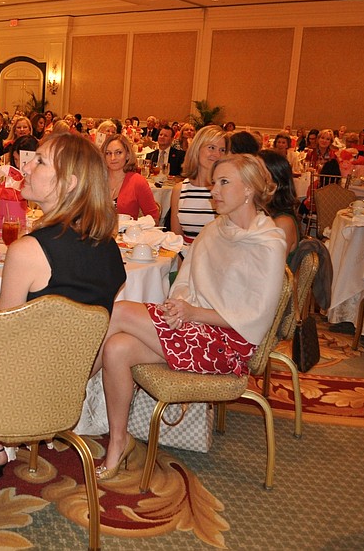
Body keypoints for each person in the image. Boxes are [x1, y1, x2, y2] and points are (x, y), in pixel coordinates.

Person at [0, 132, 126, 472]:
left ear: (69, 183)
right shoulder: (109, 250)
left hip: (13, 388)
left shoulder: (28, 251)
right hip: (62, 391)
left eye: (40, 161)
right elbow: (50, 314)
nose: (26, 167)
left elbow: (1, 346)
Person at [94, 153, 286, 479]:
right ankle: (118, 441)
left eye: (224, 182)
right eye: (215, 183)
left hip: (229, 343)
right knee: (116, 348)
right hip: (196, 327)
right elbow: (185, 281)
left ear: (250, 189)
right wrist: (178, 305)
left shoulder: (268, 243)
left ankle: (65, 394)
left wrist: (192, 312)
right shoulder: (216, 229)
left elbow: (255, 316)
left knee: (119, 311)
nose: (215, 191)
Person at [170, 125, 228, 243]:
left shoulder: (227, 189)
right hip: (187, 257)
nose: (217, 155)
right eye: (211, 147)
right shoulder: (180, 190)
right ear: (197, 149)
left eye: (222, 150)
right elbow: (177, 242)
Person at [103, 133, 159, 223]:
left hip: (128, 235)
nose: (113, 158)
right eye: (108, 153)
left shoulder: (137, 181)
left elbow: (154, 219)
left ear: (128, 155)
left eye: (118, 152)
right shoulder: (97, 179)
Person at [259, 150, 301, 260]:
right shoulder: (261, 212)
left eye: (258, 173)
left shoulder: (283, 223)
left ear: (275, 183)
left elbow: (268, 270)